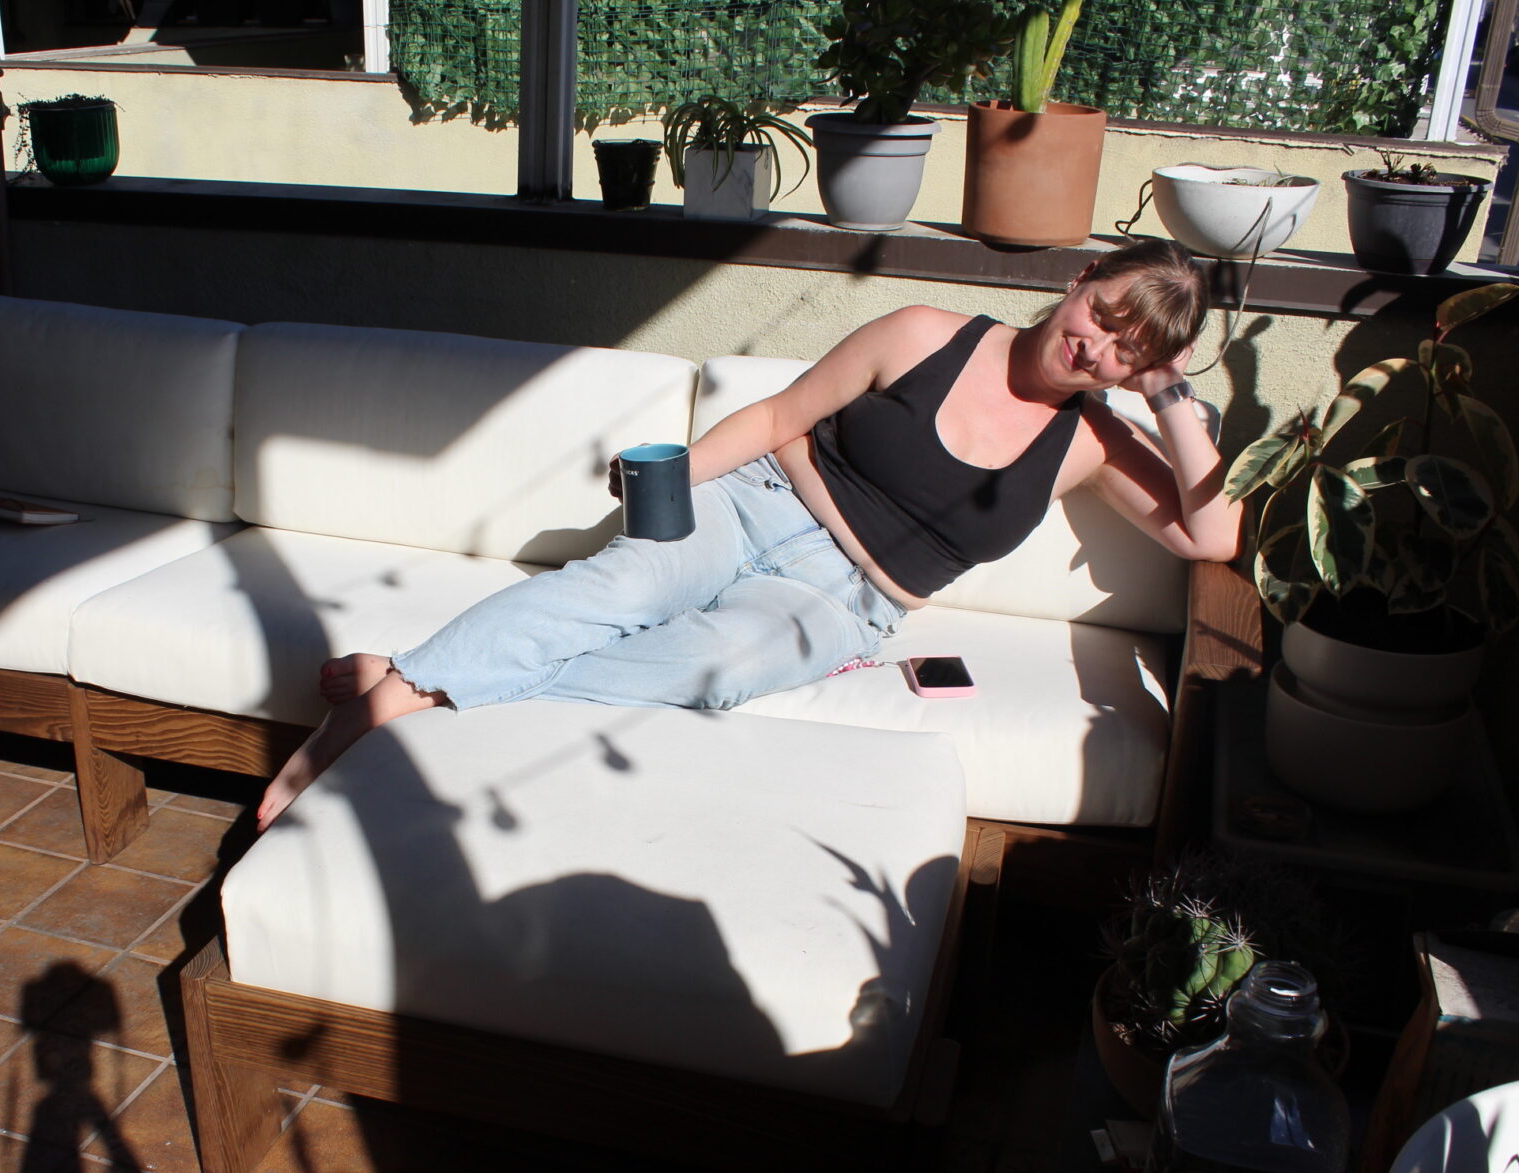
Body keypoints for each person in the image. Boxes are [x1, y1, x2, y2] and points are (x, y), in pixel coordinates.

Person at [256, 239, 1238, 830]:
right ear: (1075, 282)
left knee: (711, 667)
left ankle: (426, 671)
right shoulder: (924, 335)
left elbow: (1211, 537)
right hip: (758, 497)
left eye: (1125, 352)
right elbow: (777, 419)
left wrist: (1169, 397)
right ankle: (396, 699)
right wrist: (675, 479)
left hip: (845, 598)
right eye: (1100, 314)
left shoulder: (1094, 444)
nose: (1095, 345)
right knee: (619, 591)